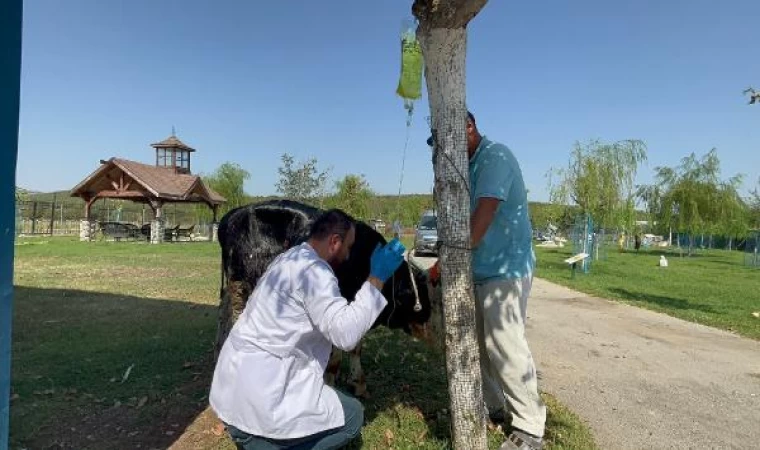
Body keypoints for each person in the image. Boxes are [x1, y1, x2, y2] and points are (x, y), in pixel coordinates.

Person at [209, 209, 406, 450]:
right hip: (262, 399)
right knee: (353, 415)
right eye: (348, 247)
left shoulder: (289, 258)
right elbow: (346, 334)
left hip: (232, 390)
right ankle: (267, 445)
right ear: (334, 241)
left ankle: (256, 438)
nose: (348, 255)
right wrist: (377, 277)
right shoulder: (316, 274)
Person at [428, 111, 546, 450]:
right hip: (479, 269)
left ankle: (530, 428)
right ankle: (494, 408)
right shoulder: (465, 167)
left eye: (447, 139)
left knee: (504, 344)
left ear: (469, 126)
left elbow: (480, 222)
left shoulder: (495, 157)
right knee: (478, 346)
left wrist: (444, 261)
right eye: (438, 143)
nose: (444, 148)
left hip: (506, 268)